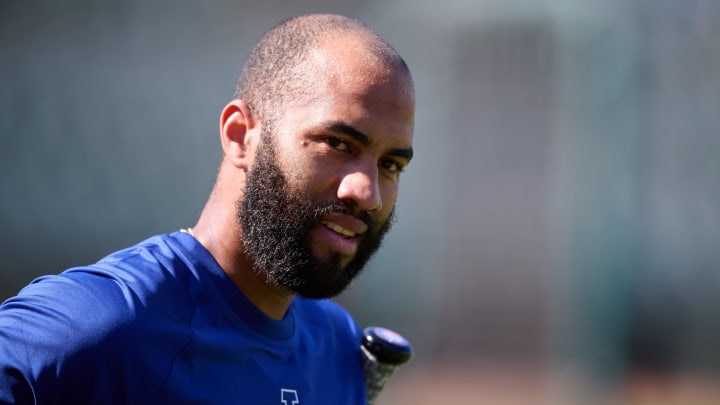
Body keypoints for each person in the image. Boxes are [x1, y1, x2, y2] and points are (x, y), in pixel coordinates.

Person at [0, 13, 414, 404]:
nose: (368, 192)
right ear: (240, 136)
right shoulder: (101, 324)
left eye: (390, 164)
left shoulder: (338, 347)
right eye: (337, 143)